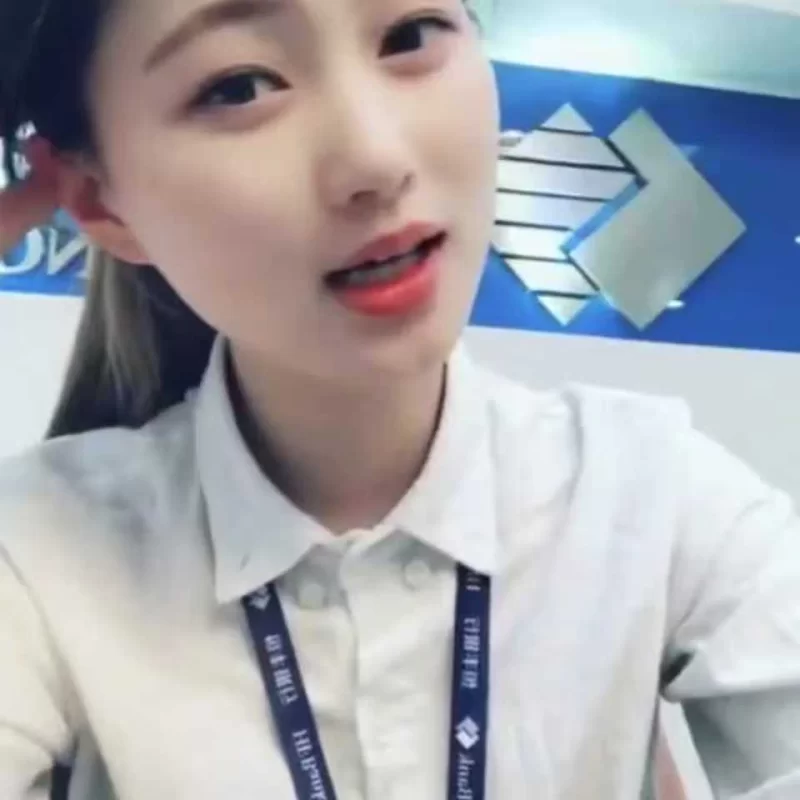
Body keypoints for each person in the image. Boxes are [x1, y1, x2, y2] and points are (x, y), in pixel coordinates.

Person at [0, 0, 797, 797]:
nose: (376, 159)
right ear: (101, 201)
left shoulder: (646, 488)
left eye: (408, 36)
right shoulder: (41, 549)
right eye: (239, 87)